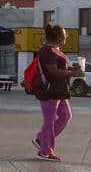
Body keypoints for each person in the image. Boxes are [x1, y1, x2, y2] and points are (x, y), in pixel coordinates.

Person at [33, 24, 83, 162]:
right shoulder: (47, 51)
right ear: (60, 37)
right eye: (65, 35)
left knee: (65, 116)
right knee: (49, 121)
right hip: (50, 91)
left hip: (60, 90)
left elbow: (62, 67)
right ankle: (45, 152)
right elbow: (53, 71)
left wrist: (73, 69)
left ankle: (41, 139)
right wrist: (74, 73)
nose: (66, 37)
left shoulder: (55, 50)